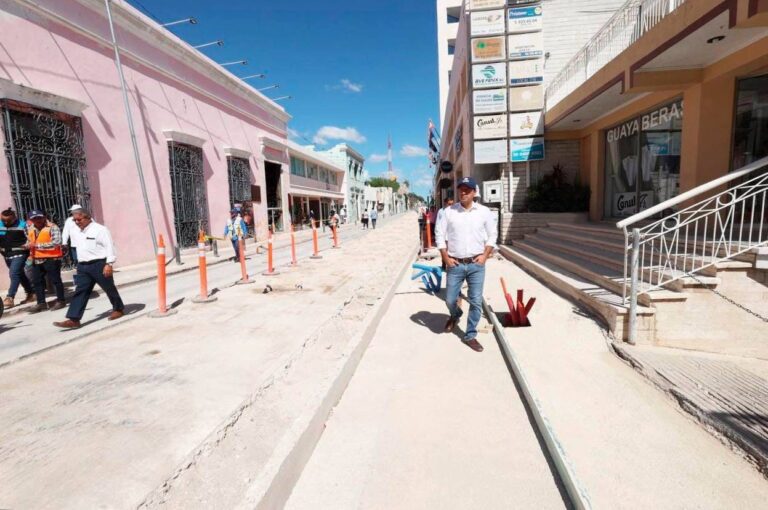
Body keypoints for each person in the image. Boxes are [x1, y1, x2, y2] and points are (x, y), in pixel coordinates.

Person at [435, 177, 497, 353]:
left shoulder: (484, 212)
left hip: (476, 264)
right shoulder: (449, 212)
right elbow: (439, 234)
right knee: (449, 299)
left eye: (467, 190)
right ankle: (456, 314)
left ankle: (470, 335)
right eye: (461, 189)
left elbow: (493, 234)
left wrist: (485, 255)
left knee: (476, 301)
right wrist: (445, 258)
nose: (463, 192)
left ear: (474, 193)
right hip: (455, 264)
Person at [53, 209, 124, 329]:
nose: (76, 222)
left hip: (99, 264)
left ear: (88, 218)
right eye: (74, 220)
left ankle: (118, 308)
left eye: (79, 219)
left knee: (109, 288)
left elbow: (110, 247)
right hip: (83, 266)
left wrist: (109, 264)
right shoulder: (76, 231)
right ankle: (74, 319)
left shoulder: (100, 230)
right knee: (81, 291)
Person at [26, 210, 66, 312]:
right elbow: (30, 241)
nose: (37, 220)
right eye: (34, 218)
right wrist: (27, 246)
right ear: (31, 220)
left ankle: (61, 301)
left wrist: (37, 246)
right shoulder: (30, 228)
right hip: (37, 258)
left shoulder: (53, 227)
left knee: (55, 280)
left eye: (39, 217)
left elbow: (57, 243)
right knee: (37, 282)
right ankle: (41, 303)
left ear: (44, 217)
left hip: (51, 258)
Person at [0, 208, 35, 308]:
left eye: (8, 220)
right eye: (3, 220)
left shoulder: (23, 225)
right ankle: (31, 293)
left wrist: (28, 245)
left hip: (20, 253)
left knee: (14, 273)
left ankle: (10, 297)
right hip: (6, 254)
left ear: (14, 218)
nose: (6, 222)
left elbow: (31, 238)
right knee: (20, 274)